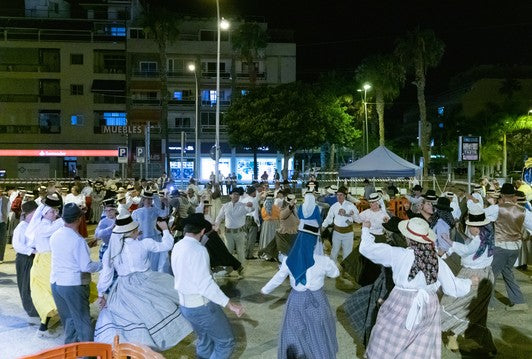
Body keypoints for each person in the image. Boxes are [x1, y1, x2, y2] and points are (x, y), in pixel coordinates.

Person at [359, 217, 475, 359]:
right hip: (428, 305)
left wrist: (365, 229)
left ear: (407, 238)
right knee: (420, 343)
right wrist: (469, 282)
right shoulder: (436, 260)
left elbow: (367, 249)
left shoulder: (399, 254)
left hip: (400, 301)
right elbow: (453, 287)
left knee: (392, 336)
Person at [94, 214, 192, 350]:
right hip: (148, 281)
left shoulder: (111, 252)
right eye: (136, 230)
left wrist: (101, 294)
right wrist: (164, 229)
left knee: (130, 316)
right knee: (160, 308)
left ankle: (135, 346)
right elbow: (167, 245)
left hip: (124, 287)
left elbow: (106, 275)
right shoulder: (144, 243)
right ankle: (160, 338)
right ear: (133, 231)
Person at [261, 216, 339, 359]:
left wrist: (265, 290)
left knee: (295, 330)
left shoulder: (289, 260)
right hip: (318, 300)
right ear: (316, 241)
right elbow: (335, 273)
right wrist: (328, 258)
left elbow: (278, 277)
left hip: (296, 300)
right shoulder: (323, 261)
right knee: (318, 331)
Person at [171, 213, 245, 359]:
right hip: (201, 306)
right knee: (226, 342)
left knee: (204, 340)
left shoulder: (178, 245)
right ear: (203, 231)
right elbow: (205, 284)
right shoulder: (198, 250)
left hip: (185, 306)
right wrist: (230, 304)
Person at [440, 207, 497, 355]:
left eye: (470, 226)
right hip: (486, 275)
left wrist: (449, 242)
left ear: (475, 227)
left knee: (452, 303)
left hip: (472, 275)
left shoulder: (478, 240)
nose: (469, 228)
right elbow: (469, 245)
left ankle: (453, 335)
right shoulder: (488, 235)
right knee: (477, 310)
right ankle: (484, 344)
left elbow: (466, 250)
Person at [50, 203, 102, 343]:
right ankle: (87, 355)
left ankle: (70, 351)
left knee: (69, 320)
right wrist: (103, 265)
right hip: (73, 285)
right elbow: (86, 266)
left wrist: (85, 245)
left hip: (56, 283)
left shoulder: (55, 234)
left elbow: (67, 249)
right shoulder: (77, 240)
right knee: (83, 321)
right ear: (79, 219)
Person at [484, 183, 532, 311]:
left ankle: (488, 304)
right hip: (516, 247)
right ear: (514, 196)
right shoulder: (523, 211)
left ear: (502, 196)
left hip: (501, 245)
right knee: (507, 271)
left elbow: (480, 217)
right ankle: (518, 301)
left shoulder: (496, 208)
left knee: (491, 274)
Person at [27, 194, 65, 338]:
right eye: (52, 212)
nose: (55, 214)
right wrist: (65, 218)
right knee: (50, 293)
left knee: (51, 293)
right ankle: (43, 328)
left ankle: (48, 324)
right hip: (45, 261)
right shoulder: (43, 225)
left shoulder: (47, 224)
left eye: (56, 211)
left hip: (49, 259)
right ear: (44, 213)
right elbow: (52, 230)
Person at [12, 200, 39, 318]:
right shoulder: (21, 227)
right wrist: (32, 251)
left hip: (33, 257)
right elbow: (17, 245)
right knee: (25, 284)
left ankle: (36, 306)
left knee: (33, 284)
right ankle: (30, 309)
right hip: (24, 259)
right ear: (29, 214)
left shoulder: (33, 225)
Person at [214, 188, 253, 264]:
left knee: (240, 252)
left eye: (238, 194)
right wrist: (216, 227)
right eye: (234, 194)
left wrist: (251, 206)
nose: (236, 196)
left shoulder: (243, 205)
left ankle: (241, 271)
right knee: (228, 251)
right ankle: (228, 270)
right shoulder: (225, 206)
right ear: (230, 195)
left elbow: (251, 210)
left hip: (240, 233)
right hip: (228, 233)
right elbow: (219, 218)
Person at [322, 186, 359, 263]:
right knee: (334, 251)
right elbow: (329, 218)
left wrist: (351, 215)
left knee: (347, 252)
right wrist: (323, 226)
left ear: (345, 196)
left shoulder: (351, 205)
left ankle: (345, 271)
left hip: (348, 233)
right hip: (337, 232)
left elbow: (357, 220)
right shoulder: (334, 206)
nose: (339, 197)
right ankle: (333, 269)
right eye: (337, 195)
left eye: (341, 195)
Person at [258, 191, 281, 256]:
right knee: (273, 238)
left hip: (266, 224)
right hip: (275, 224)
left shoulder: (263, 207)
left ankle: (267, 254)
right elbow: (279, 215)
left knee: (267, 237)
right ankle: (272, 254)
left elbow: (262, 216)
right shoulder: (275, 207)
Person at [0, 186, 9, 263]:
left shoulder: (6, 200)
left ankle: (0, 258)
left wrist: (5, 220)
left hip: (2, 222)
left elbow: (8, 210)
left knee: (2, 240)